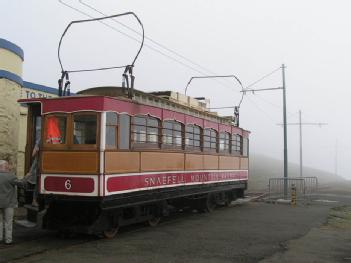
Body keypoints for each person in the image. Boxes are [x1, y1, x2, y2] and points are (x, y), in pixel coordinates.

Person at [0, 160, 19, 245]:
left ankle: (0, 238)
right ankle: (8, 240)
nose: (9, 166)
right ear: (5, 166)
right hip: (9, 204)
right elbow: (22, 184)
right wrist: (27, 177)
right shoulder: (11, 176)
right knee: (8, 222)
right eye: (7, 165)